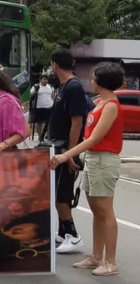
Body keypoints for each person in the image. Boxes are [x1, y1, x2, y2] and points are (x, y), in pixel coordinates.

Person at [51, 62, 125, 276]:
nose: (90, 80)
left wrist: (67, 154)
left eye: (93, 77)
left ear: (102, 81)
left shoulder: (111, 105)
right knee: (96, 211)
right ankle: (96, 256)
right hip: (93, 159)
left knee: (105, 212)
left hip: (105, 160)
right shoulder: (100, 102)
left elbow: (95, 138)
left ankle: (111, 262)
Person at [47, 48, 87, 254]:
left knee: (63, 194)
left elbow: (77, 123)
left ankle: (73, 235)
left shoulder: (73, 87)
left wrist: (70, 153)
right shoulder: (63, 86)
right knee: (56, 193)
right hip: (58, 147)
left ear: (54, 64)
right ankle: (63, 233)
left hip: (66, 148)